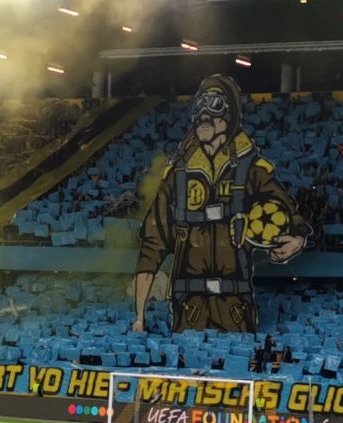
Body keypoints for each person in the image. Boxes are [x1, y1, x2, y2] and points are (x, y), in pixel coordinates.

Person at [133, 74, 311, 334]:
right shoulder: (178, 175)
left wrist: (296, 239)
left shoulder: (252, 169)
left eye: (214, 104)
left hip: (235, 305)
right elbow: (152, 241)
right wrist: (139, 316)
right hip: (189, 305)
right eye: (200, 105)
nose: (204, 115)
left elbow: (288, 213)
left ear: (230, 116)